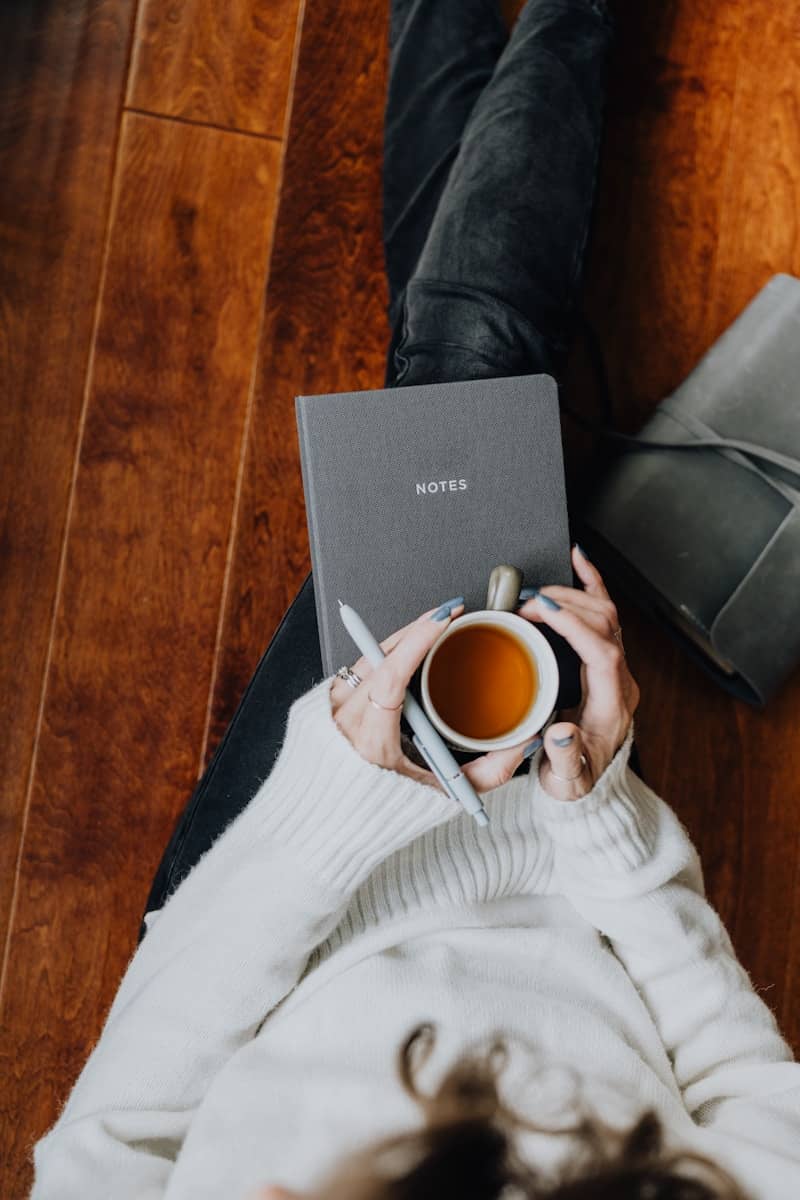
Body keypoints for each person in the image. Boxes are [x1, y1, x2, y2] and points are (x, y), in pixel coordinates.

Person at [32, 2, 800, 1198]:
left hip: (280, 906)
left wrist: (332, 803)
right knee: (461, 376)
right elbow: (752, 1097)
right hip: (560, 850)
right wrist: (598, 813)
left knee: (464, 373)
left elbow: (108, 1140)